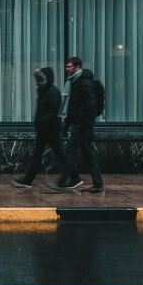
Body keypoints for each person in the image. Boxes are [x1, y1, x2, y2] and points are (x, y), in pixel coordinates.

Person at [51, 55, 105, 193]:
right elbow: (72, 107)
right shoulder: (74, 82)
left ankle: (62, 182)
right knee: (89, 155)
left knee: (70, 152)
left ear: (77, 67)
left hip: (82, 127)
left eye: (69, 66)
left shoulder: (84, 83)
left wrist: (84, 125)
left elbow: (90, 106)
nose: (66, 69)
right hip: (80, 126)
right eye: (67, 66)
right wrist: (66, 126)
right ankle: (98, 185)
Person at [11, 67, 65, 188]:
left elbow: (53, 112)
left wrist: (41, 121)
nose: (38, 81)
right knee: (38, 155)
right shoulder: (44, 91)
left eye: (41, 78)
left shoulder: (53, 92)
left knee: (60, 155)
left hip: (52, 130)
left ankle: (74, 176)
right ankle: (28, 179)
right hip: (43, 130)